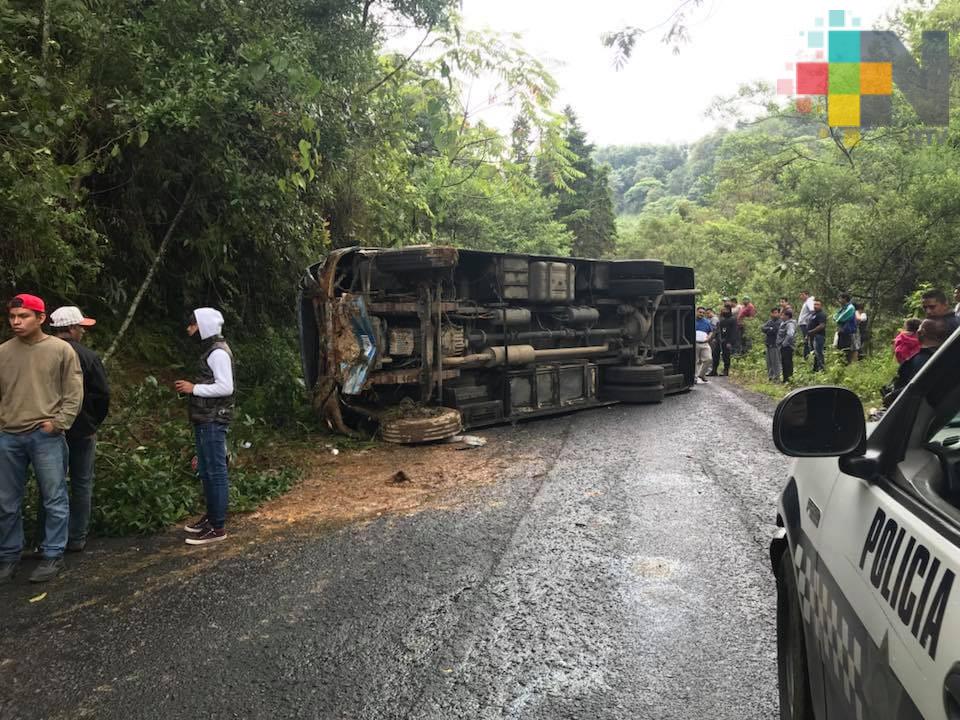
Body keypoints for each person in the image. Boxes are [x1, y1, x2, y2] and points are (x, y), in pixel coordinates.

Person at [0, 295, 83, 583]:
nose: (16, 322)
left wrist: (59, 423)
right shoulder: (3, 352)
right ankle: (9, 556)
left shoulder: (61, 350)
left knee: (54, 498)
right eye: (12, 317)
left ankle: (52, 555)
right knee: (7, 502)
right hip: (9, 435)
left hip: (45, 435)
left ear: (41, 318)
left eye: (23, 316)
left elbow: (74, 391)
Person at [46, 306, 110, 552]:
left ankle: (47, 538)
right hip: (82, 429)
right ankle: (76, 537)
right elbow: (102, 394)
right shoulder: (87, 356)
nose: (83, 331)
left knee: (51, 484)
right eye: (80, 326)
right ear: (72, 329)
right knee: (82, 483)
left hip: (47, 428)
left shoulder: (42, 353)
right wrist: (93, 422)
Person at [175, 308, 234, 545]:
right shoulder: (212, 350)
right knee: (208, 471)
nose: (190, 330)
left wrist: (194, 388)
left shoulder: (218, 353)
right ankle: (211, 518)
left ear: (203, 326)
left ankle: (217, 526)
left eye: (193, 325)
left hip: (213, 418)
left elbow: (226, 387)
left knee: (216, 471)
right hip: (205, 417)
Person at [882, 318, 949, 407]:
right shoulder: (945, 354)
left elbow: (917, 386)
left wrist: (892, 396)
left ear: (921, 333)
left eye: (919, 329)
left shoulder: (922, 359)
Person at [710, 307, 737, 376]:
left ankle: (725, 370)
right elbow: (717, 330)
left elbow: (734, 332)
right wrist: (715, 338)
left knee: (726, 356)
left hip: (727, 340)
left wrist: (730, 342)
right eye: (723, 310)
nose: (724, 311)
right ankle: (714, 370)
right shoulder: (720, 319)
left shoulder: (732, 319)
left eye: (726, 310)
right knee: (715, 355)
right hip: (719, 339)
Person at [833, 292, 858, 363]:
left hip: (848, 331)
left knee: (847, 349)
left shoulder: (850, 308)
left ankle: (847, 365)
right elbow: (835, 316)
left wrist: (837, 319)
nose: (839, 300)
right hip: (841, 331)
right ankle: (841, 364)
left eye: (840, 298)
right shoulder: (843, 308)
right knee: (840, 349)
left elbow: (841, 318)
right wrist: (836, 318)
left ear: (845, 299)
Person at [760, 307, 782, 382]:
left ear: (779, 313)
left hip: (775, 344)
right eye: (773, 312)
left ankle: (777, 377)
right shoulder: (770, 321)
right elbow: (763, 328)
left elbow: (775, 330)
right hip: (768, 344)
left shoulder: (780, 322)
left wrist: (769, 329)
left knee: (775, 362)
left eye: (776, 312)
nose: (774, 314)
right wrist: (770, 329)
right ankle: (770, 377)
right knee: (769, 362)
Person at [694, 307, 714, 384]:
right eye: (700, 312)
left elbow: (711, 331)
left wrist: (709, 337)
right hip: (695, 343)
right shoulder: (692, 321)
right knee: (696, 361)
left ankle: (701, 375)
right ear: (696, 312)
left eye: (703, 313)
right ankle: (695, 378)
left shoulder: (706, 322)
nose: (701, 314)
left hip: (705, 343)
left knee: (709, 358)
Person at [776, 308, 797, 383]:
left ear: (787, 316)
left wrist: (784, 344)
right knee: (784, 363)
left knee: (787, 363)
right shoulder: (784, 323)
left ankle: (789, 379)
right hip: (783, 347)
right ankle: (785, 379)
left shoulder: (790, 324)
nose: (781, 316)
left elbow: (790, 334)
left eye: (782, 315)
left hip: (787, 347)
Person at [807, 300, 827, 372]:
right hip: (812, 336)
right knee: (814, 353)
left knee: (819, 352)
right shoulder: (814, 314)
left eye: (817, 304)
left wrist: (812, 331)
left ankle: (822, 369)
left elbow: (822, 325)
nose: (815, 306)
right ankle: (815, 369)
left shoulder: (821, 314)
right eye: (814, 304)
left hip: (818, 336)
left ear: (821, 306)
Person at [797, 291, 816, 358]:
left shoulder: (809, 301)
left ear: (807, 295)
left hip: (806, 324)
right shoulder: (806, 302)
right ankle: (807, 355)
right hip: (803, 323)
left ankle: (808, 355)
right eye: (800, 295)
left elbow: (812, 311)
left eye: (802, 295)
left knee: (807, 339)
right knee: (806, 339)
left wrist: (808, 320)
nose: (801, 297)